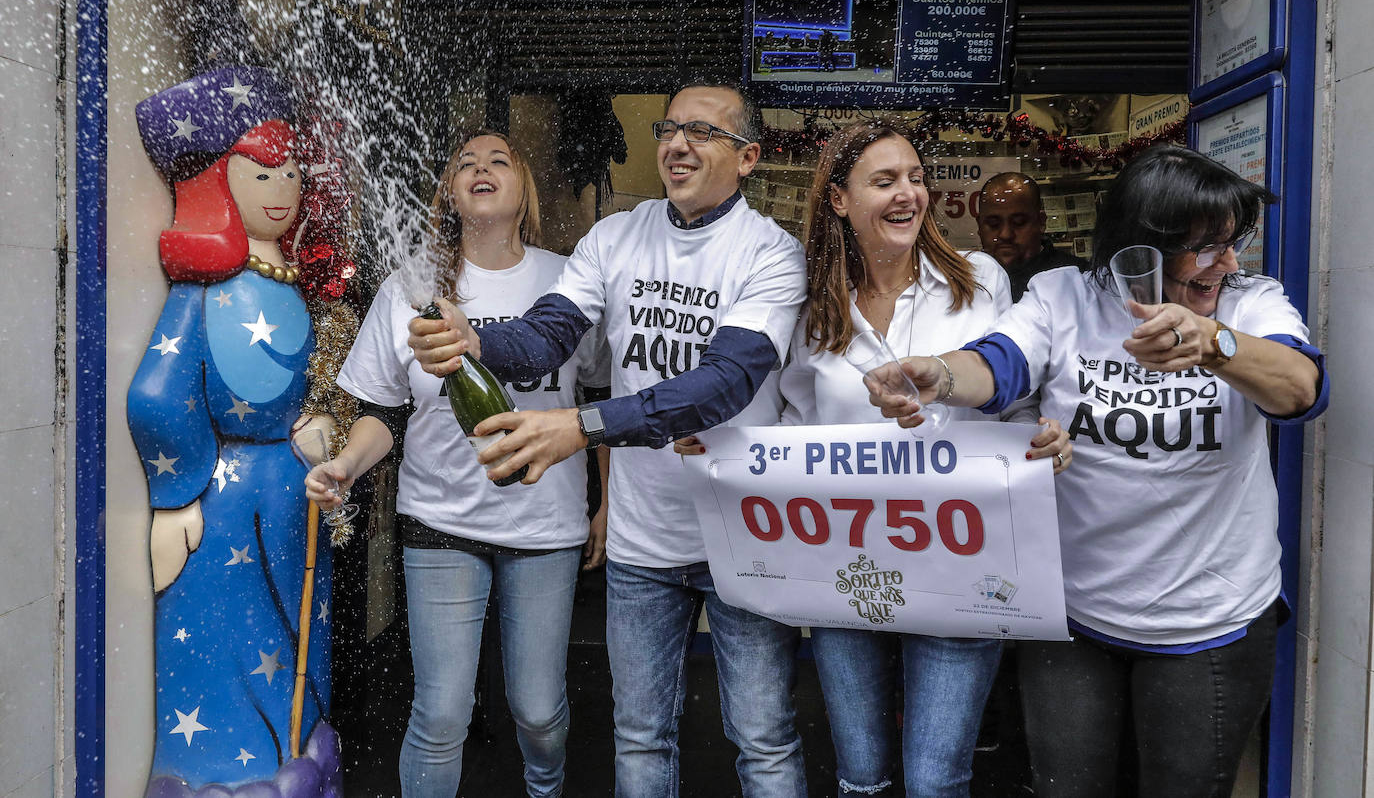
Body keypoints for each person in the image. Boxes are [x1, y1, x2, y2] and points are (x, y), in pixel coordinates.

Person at [868, 144, 1329, 798]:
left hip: (1208, 620)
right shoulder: (1066, 297)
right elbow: (1000, 363)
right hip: (1074, 615)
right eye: (1206, 248)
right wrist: (938, 375)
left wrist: (1216, 345)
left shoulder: (1248, 304)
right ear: (1142, 245)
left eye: (1234, 243)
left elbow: (1301, 389)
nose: (1228, 262)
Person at [407, 82, 810, 797]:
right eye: (669, 127)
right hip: (643, 544)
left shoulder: (771, 254)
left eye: (701, 132)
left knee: (763, 741)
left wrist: (582, 425)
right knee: (640, 739)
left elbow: (723, 384)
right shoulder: (615, 236)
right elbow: (547, 336)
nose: (678, 143)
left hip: (743, 536)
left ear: (748, 157)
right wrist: (480, 339)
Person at [676, 119, 1070, 797]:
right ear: (838, 200)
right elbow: (789, 434)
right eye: (885, 181)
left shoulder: (978, 282)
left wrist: (1044, 437)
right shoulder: (811, 310)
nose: (908, 195)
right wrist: (722, 445)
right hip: (846, 572)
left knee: (934, 780)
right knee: (860, 776)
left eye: (915, 179)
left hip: (960, 566)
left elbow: (1014, 402)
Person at [304, 132, 611, 798]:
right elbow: (384, 413)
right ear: (449, 192)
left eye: (499, 160)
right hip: (439, 519)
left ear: (523, 189)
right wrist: (349, 465)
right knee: (440, 713)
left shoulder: (569, 280)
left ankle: (546, 786)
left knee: (538, 712)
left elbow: (603, 398)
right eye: (466, 162)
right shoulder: (411, 286)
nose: (481, 168)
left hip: (543, 525)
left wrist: (605, 503)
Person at [127, 67, 349, 793]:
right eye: (262, 171)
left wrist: (315, 426)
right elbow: (158, 393)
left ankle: (293, 760)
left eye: (289, 169)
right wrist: (176, 495)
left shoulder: (286, 282)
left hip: (291, 496)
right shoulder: (204, 289)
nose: (282, 187)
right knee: (230, 647)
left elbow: (306, 384)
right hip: (224, 508)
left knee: (299, 642)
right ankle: (228, 771)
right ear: (220, 181)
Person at [975, 171, 1086, 301]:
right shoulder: (966, 279)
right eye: (994, 224)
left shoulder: (1079, 278)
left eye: (1018, 223)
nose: (1005, 234)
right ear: (979, 225)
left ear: (1041, 222)